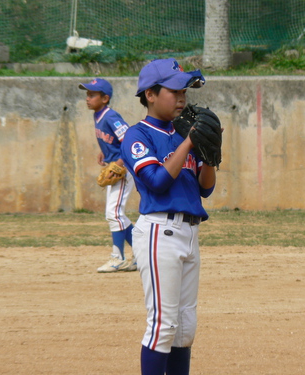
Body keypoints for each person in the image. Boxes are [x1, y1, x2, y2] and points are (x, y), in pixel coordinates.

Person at [120, 58, 217, 374]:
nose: (181, 98)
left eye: (184, 91)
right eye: (174, 90)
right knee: (163, 326)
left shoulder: (184, 132)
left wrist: (211, 155)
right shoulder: (137, 136)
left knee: (185, 328)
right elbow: (158, 182)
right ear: (150, 94)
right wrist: (191, 140)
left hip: (190, 233)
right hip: (159, 232)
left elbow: (205, 189)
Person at [78, 78, 136, 273]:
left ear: (105, 98)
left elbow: (129, 140)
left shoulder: (111, 116)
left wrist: (118, 164)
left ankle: (117, 257)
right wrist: (105, 152)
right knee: (116, 215)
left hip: (123, 171)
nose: (87, 98)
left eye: (92, 95)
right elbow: (113, 141)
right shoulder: (98, 115)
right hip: (116, 167)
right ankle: (140, 254)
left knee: (114, 214)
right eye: (87, 94)